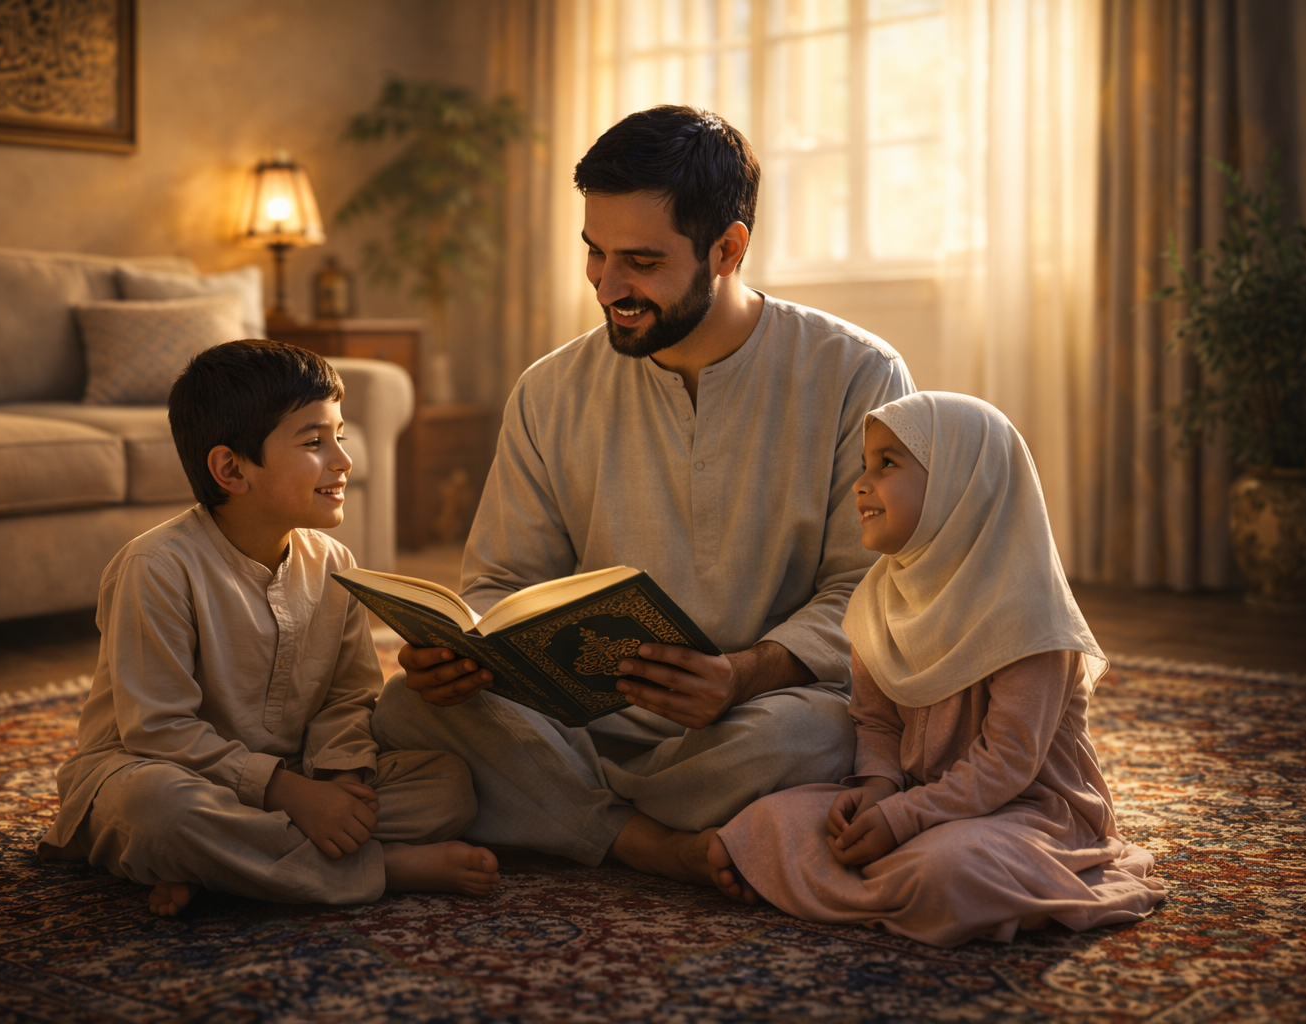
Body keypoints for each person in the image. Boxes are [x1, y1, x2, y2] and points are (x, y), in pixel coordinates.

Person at [373, 105, 915, 887]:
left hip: (755, 711)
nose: (608, 286)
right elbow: (498, 581)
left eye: (641, 261)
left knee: (824, 736)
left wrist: (745, 673)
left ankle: (562, 810)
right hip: (583, 715)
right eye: (594, 254)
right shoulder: (550, 389)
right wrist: (467, 658)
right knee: (406, 711)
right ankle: (641, 834)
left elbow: (869, 588)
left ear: (728, 249)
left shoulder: (857, 375)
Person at [36, 340, 500, 915]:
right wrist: (289, 795)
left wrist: (338, 783)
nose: (342, 460)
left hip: (294, 774)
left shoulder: (335, 562)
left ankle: (222, 870)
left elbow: (347, 696)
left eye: (340, 437)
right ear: (232, 469)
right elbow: (158, 732)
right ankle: (383, 868)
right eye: (313, 442)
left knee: (448, 786)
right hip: (155, 772)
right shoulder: (154, 567)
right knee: (161, 813)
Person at [708, 391, 1168, 947]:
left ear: (962, 485)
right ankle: (920, 898)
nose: (861, 483)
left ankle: (896, 891)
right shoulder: (880, 597)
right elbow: (876, 722)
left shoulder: (1027, 611)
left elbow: (1007, 763)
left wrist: (902, 818)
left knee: (946, 870)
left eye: (888, 465)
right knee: (758, 826)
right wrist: (879, 787)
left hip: (1025, 811)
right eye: (864, 465)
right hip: (919, 797)